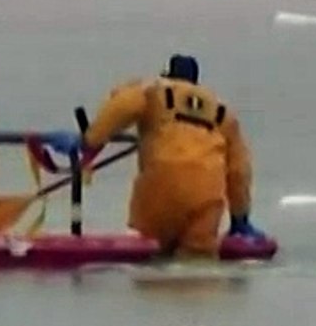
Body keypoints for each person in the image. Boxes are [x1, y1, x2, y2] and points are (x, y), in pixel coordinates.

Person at [39, 54, 265, 258]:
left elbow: (122, 106)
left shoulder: (154, 90)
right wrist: (240, 219)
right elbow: (239, 170)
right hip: (207, 196)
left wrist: (87, 141)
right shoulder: (222, 112)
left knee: (151, 256)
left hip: (161, 184)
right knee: (199, 265)